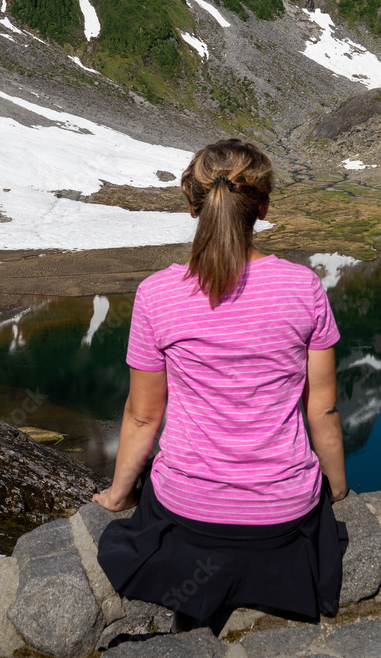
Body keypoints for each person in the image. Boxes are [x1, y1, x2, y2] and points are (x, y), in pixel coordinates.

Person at [94, 138, 348, 633]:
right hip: (286, 514)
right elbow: (323, 411)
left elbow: (144, 415)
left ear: (193, 205)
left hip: (188, 515)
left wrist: (119, 496)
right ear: (264, 206)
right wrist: (335, 489)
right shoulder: (304, 287)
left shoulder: (157, 294)